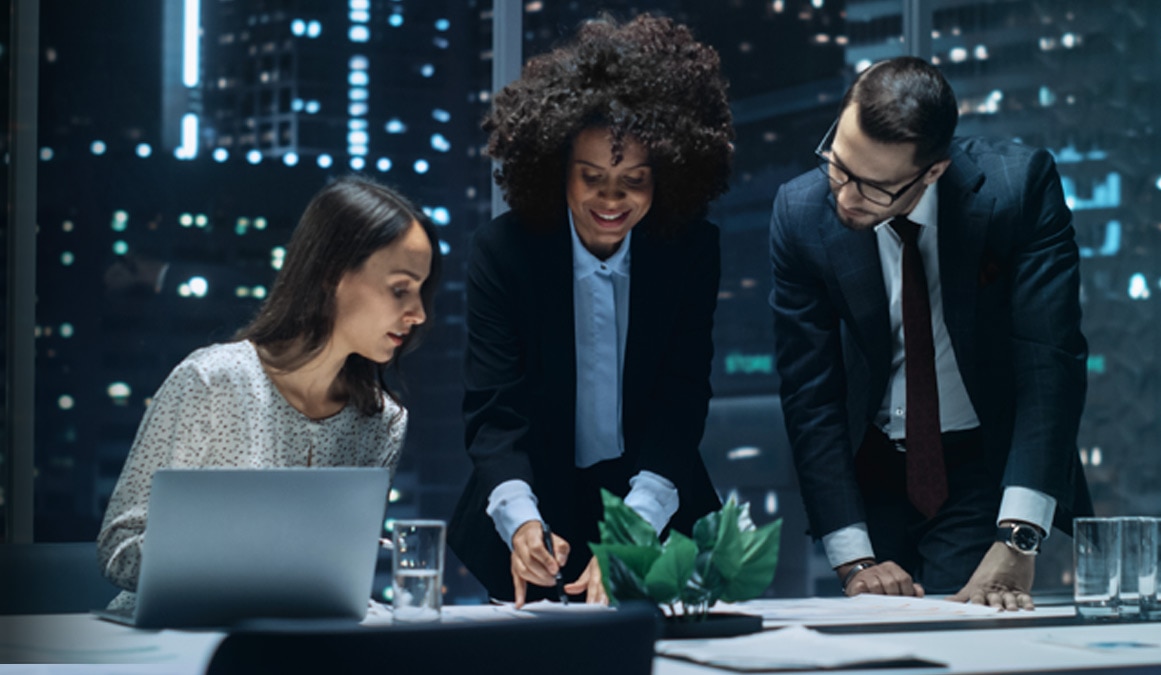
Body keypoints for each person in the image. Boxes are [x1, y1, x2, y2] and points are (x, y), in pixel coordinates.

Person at [769, 57, 1092, 609]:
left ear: (933, 172)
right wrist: (853, 559)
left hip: (974, 464)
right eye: (839, 164)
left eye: (873, 188)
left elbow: (1049, 365)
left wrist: (1019, 537)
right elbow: (811, 396)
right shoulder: (800, 213)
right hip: (866, 461)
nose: (844, 196)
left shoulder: (1019, 190)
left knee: (968, 632)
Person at [448, 14, 734, 606]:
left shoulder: (689, 252)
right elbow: (496, 410)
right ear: (556, 170)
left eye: (634, 180)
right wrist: (521, 523)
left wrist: (634, 528)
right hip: (532, 497)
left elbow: (681, 401)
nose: (612, 200)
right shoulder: (504, 253)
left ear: (667, 177)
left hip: (652, 495)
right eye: (592, 178)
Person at [97, 175, 442, 609]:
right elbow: (118, 551)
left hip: (296, 643)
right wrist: (245, 546)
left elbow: (337, 581)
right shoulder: (212, 381)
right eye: (400, 289)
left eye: (421, 291)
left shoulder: (382, 421)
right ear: (332, 274)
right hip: (180, 638)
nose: (418, 314)